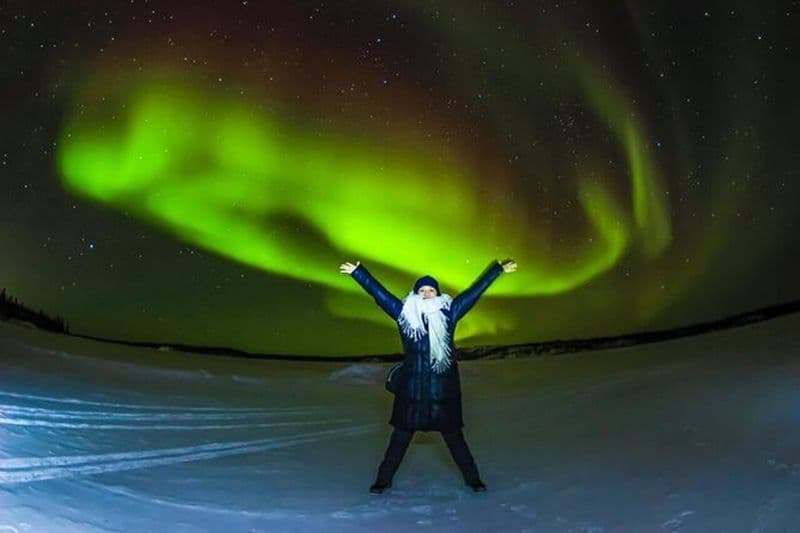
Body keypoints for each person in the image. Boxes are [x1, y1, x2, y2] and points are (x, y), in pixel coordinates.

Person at [339, 258, 517, 493]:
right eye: (421, 289)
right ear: (415, 293)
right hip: (412, 391)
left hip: (442, 391)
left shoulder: (449, 313)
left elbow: (474, 292)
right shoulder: (404, 314)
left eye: (431, 289)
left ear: (438, 293)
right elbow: (380, 295)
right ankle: (383, 481)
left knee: (455, 440)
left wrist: (497, 270)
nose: (426, 293)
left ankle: (473, 480)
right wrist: (358, 273)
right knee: (399, 440)